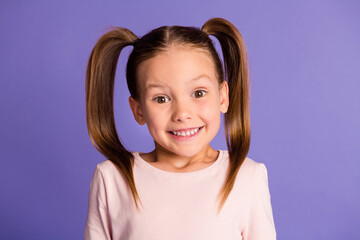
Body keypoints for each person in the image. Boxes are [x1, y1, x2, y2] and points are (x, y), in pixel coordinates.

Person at [84, 17, 276, 240]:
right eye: (161, 98)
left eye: (198, 93)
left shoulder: (247, 177)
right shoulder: (111, 179)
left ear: (223, 96)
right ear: (138, 110)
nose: (182, 114)